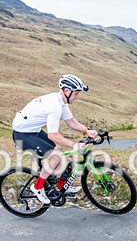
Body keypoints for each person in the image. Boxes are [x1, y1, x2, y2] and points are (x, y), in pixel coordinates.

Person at [12, 74, 99, 204]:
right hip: (22, 134)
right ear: (66, 91)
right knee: (56, 157)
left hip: (33, 130)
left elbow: (71, 121)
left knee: (58, 152)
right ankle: (37, 187)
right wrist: (73, 145)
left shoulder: (61, 102)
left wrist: (87, 130)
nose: (78, 97)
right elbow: (53, 135)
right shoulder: (55, 106)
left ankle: (60, 184)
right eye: (76, 94)